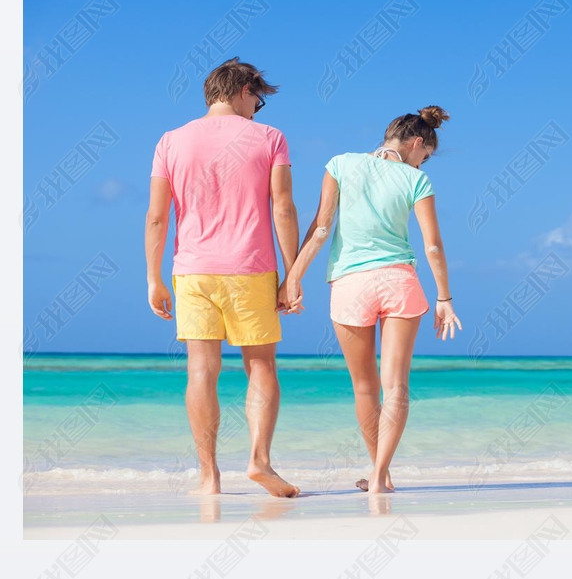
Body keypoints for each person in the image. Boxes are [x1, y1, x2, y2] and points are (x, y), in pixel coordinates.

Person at [281, 107, 462, 495]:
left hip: (350, 285)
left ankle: (380, 474)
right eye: (424, 156)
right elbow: (432, 245)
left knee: (365, 387)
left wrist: (292, 278)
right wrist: (444, 296)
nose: (422, 162)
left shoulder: (340, 164)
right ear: (417, 144)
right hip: (399, 282)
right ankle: (381, 476)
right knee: (396, 387)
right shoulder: (417, 179)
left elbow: (321, 228)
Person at [145, 57, 300, 498]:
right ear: (244, 90)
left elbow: (157, 218)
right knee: (261, 366)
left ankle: (209, 476)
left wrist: (153, 278)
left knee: (201, 370)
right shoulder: (270, 138)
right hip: (250, 267)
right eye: (259, 101)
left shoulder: (170, 141)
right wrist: (292, 273)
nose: (258, 110)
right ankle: (259, 461)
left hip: (192, 270)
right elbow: (283, 208)